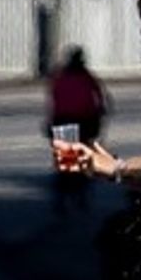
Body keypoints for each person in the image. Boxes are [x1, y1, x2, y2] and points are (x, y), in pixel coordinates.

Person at [47, 47, 108, 215]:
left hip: (63, 120)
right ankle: (80, 197)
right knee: (82, 158)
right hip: (84, 121)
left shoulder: (60, 76)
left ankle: (62, 199)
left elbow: (54, 99)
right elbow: (99, 97)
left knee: (67, 161)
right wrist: (100, 114)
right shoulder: (86, 76)